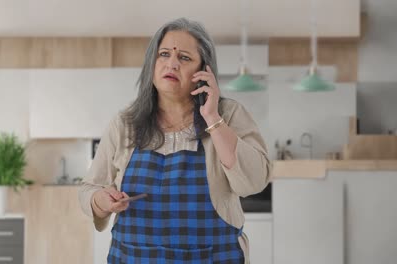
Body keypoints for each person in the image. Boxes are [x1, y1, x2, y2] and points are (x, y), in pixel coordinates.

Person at [79, 17, 271, 264]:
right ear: (152, 63)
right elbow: (88, 189)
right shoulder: (125, 123)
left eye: (184, 58)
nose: (172, 63)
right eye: (164, 54)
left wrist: (212, 118)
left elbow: (254, 182)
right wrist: (100, 200)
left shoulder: (230, 115)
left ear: (204, 71)